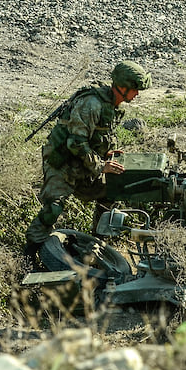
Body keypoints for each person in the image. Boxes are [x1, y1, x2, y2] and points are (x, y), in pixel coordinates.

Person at [23, 60, 151, 267]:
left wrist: (106, 153)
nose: (137, 94)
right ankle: (27, 258)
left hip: (84, 165)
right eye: (135, 89)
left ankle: (98, 244)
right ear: (123, 87)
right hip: (62, 164)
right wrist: (101, 166)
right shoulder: (91, 104)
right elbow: (75, 143)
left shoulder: (111, 106)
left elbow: (94, 139)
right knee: (53, 210)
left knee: (110, 192)